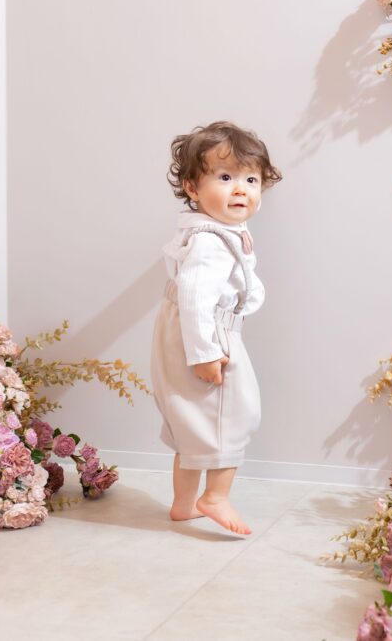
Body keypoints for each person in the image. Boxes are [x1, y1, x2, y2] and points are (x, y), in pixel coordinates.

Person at [150, 120, 281, 535]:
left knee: (193, 419)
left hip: (183, 328)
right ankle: (215, 496)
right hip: (207, 332)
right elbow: (194, 299)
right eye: (225, 178)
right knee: (234, 414)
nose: (240, 189)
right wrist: (204, 353)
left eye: (250, 180)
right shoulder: (210, 243)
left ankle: (184, 503)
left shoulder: (215, 230)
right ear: (192, 188)